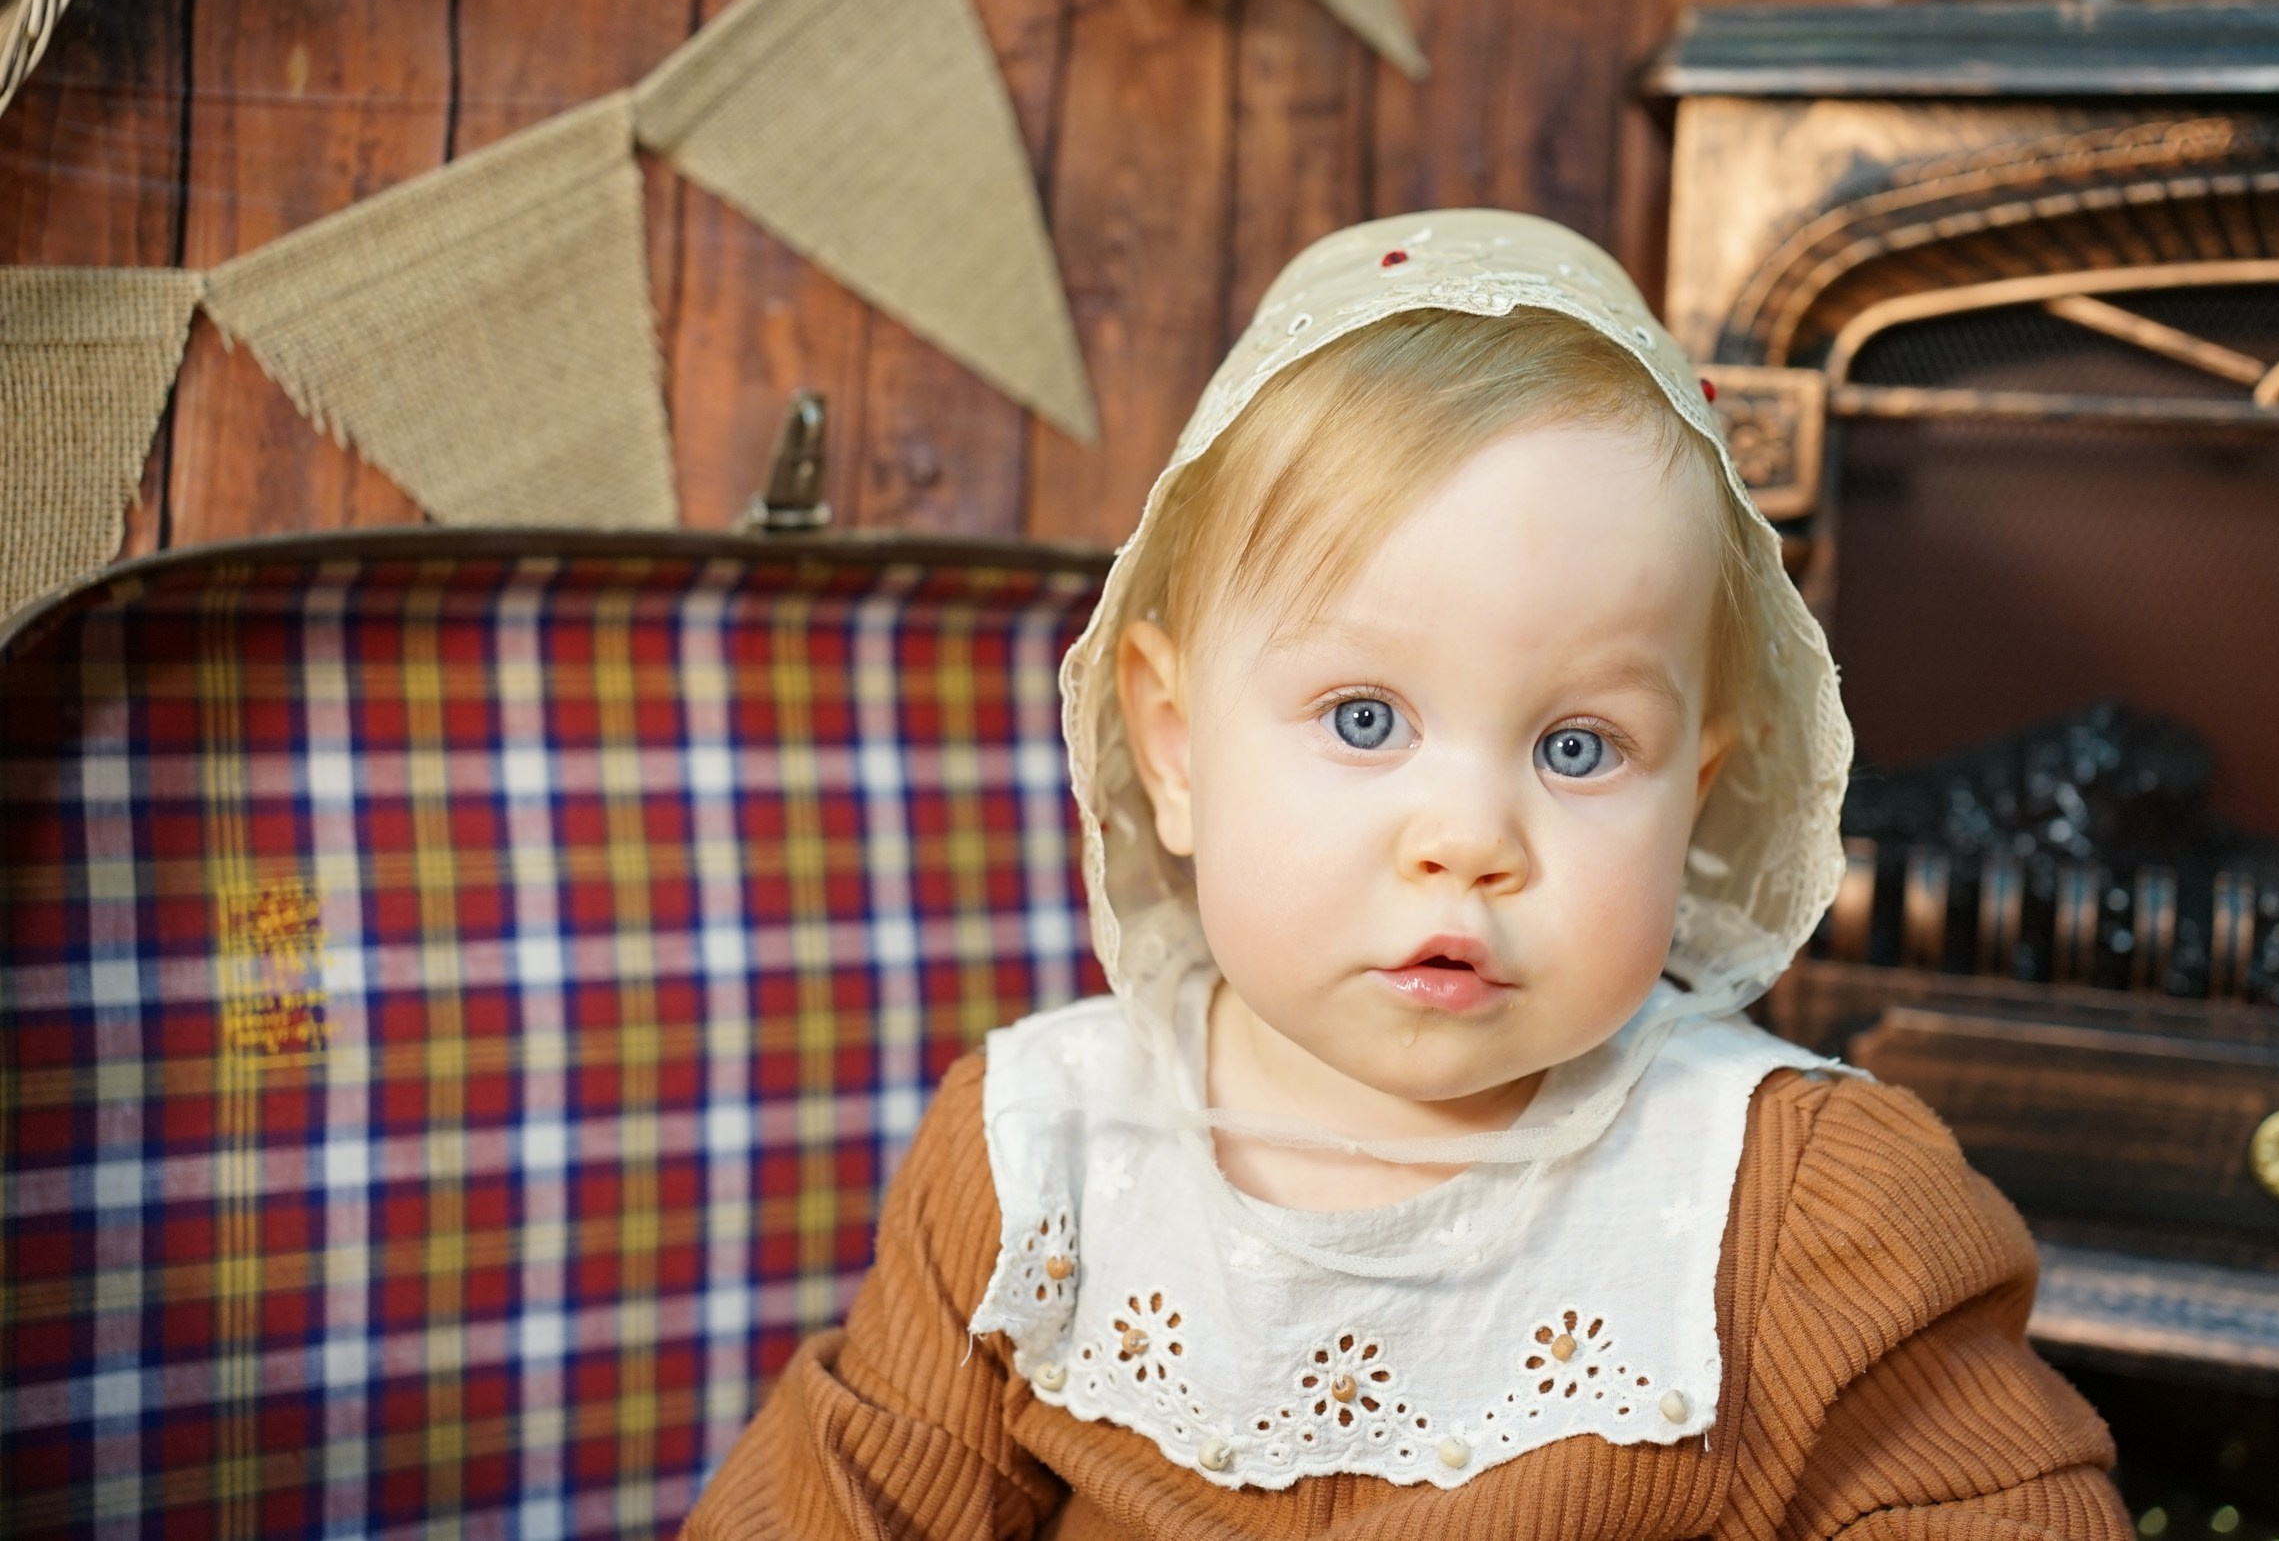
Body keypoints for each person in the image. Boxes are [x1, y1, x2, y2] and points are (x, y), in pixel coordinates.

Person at [682, 211, 2132, 1540]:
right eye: (1365, 720)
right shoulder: (1039, 1163)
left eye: (1578, 746)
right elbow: (846, 1508)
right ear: (1177, 752)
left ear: (1692, 796)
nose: (1469, 838)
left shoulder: (1794, 1207)